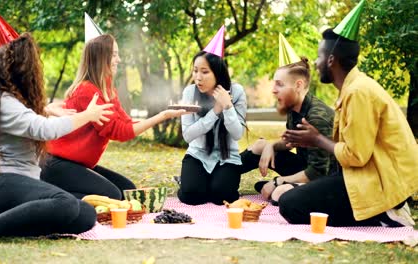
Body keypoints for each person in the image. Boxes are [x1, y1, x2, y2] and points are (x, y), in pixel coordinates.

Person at [0, 33, 113, 250]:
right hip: (0, 185)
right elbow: (43, 130)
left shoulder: (11, 101)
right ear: (19, 71)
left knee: (85, 214)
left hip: (19, 187)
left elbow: (30, 118)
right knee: (64, 203)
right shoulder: (3, 102)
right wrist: (87, 115)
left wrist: (46, 109)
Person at [279, 28, 418, 227]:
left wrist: (317, 139)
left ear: (331, 60)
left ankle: (383, 214)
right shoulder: (353, 87)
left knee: (290, 205)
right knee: (292, 197)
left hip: (382, 184)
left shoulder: (358, 91)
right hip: (363, 176)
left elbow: (356, 155)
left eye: (319, 56)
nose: (316, 63)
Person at [40, 34, 187, 200]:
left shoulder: (108, 91)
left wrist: (164, 114)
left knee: (128, 191)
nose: (119, 60)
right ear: (102, 58)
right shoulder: (86, 91)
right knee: (113, 196)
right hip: (59, 165)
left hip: (79, 165)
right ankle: (52, 195)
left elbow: (126, 124)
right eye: (114, 55)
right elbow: (120, 132)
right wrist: (162, 116)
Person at [239, 57, 337, 204]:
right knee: (261, 145)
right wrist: (271, 145)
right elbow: (290, 142)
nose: (273, 90)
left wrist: (278, 181)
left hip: (323, 179)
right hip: (304, 166)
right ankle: (221, 174)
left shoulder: (317, 118)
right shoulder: (294, 107)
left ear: (298, 85)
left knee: (279, 193)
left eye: (279, 84)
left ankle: (284, 188)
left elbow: (317, 172)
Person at [177, 50, 247, 205]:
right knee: (191, 195)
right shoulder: (190, 92)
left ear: (218, 73)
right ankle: (188, 181)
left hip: (227, 157)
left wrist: (228, 106)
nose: (198, 77)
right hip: (197, 155)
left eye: (205, 72)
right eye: (195, 71)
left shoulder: (236, 92)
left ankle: (211, 182)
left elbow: (237, 134)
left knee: (222, 196)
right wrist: (215, 111)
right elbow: (188, 135)